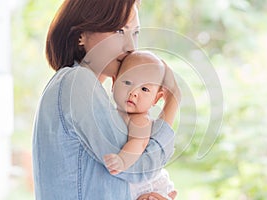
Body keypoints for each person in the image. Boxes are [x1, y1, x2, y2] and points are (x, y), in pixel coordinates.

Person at [32, 0, 180, 199]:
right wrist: (173, 101)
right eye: (119, 31)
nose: (130, 46)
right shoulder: (77, 81)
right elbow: (136, 168)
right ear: (81, 36)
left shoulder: (78, 88)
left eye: (135, 33)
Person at [103, 51, 178, 200]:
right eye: (128, 82)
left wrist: (122, 160)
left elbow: (139, 142)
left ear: (156, 99)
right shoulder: (113, 112)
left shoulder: (139, 119)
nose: (134, 92)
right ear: (114, 82)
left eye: (144, 89)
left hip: (147, 185)